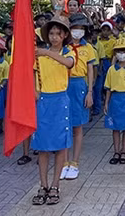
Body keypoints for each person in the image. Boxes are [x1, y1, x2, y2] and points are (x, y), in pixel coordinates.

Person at [31, 16, 75, 206]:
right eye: (51, 33)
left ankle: (56, 185)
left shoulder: (69, 51)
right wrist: (35, 93)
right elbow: (33, 74)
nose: (55, 37)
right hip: (44, 102)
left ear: (65, 35)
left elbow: (68, 63)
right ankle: (43, 185)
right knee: (43, 147)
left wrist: (45, 53)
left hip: (61, 101)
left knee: (60, 147)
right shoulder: (39, 55)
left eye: (58, 33)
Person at [62, 13, 97, 180]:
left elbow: (90, 71)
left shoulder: (88, 48)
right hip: (63, 85)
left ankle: (74, 162)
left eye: (82, 28)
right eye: (76, 28)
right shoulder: (63, 47)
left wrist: (90, 92)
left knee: (77, 127)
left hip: (79, 86)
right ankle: (63, 162)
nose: (78, 31)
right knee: (64, 125)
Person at [92, 20, 115, 115]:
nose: (105, 32)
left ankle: (106, 102)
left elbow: (113, 54)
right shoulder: (97, 40)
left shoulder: (113, 41)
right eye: (103, 30)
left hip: (107, 62)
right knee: (97, 87)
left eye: (107, 30)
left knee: (106, 85)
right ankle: (96, 106)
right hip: (96, 64)